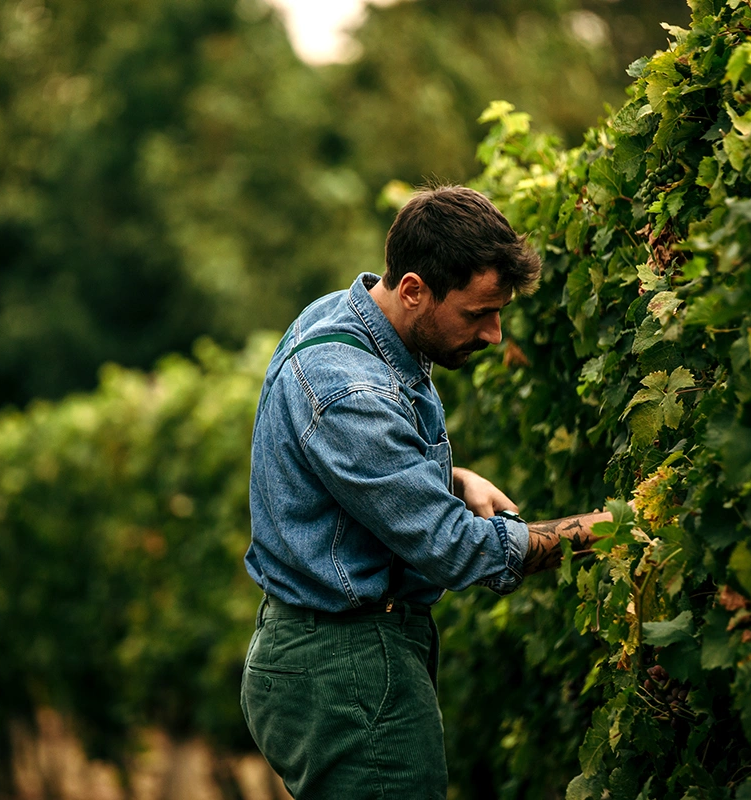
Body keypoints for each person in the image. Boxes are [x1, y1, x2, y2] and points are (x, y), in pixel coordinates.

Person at [240, 185, 615, 799]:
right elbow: (450, 547)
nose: (495, 335)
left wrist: (448, 478)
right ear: (414, 289)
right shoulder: (351, 390)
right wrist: (599, 532)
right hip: (349, 670)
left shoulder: (342, 316)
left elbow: (343, 467)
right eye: (476, 314)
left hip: (331, 656)